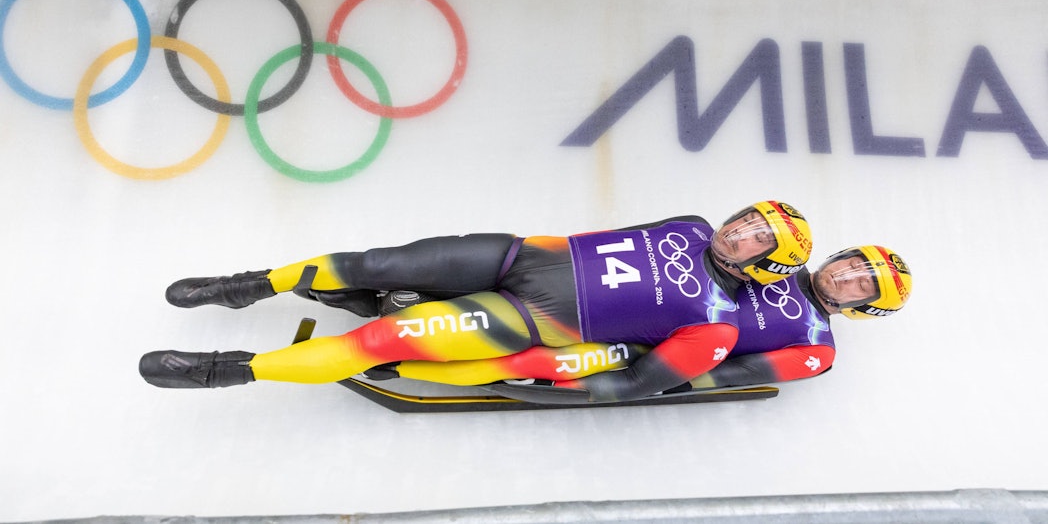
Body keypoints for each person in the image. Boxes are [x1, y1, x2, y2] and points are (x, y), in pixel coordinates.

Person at [140, 200, 813, 403]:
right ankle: (248, 285)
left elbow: (634, 382)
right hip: (520, 256)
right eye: (748, 219)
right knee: (377, 262)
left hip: (528, 319)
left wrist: (541, 384)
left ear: (767, 264)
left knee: (380, 341)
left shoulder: (717, 329)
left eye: (758, 238)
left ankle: (228, 369)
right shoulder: (691, 225)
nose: (740, 231)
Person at [373, 244, 911, 401]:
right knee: (533, 290)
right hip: (623, 297)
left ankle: (404, 364)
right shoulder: (779, 257)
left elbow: (728, 374)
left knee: (541, 360)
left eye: (860, 284)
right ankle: (420, 299)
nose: (845, 276)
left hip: (644, 348)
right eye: (851, 265)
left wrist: (649, 381)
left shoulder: (816, 347)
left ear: (864, 307)